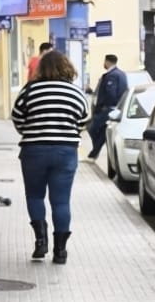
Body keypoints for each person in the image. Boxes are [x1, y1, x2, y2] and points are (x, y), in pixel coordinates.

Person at [10, 48, 91, 263]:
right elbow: (83, 120)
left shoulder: (30, 90)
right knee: (61, 202)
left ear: (41, 68)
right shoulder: (76, 93)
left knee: (35, 196)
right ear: (67, 67)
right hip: (65, 152)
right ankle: (61, 251)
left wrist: (30, 130)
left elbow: (17, 117)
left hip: (33, 150)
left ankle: (40, 241)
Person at [87, 52, 129, 161]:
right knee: (102, 132)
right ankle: (94, 153)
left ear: (107, 62)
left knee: (92, 128)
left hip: (108, 109)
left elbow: (111, 93)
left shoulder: (112, 75)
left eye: (104, 61)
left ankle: (95, 151)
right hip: (116, 108)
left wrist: (103, 106)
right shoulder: (122, 74)